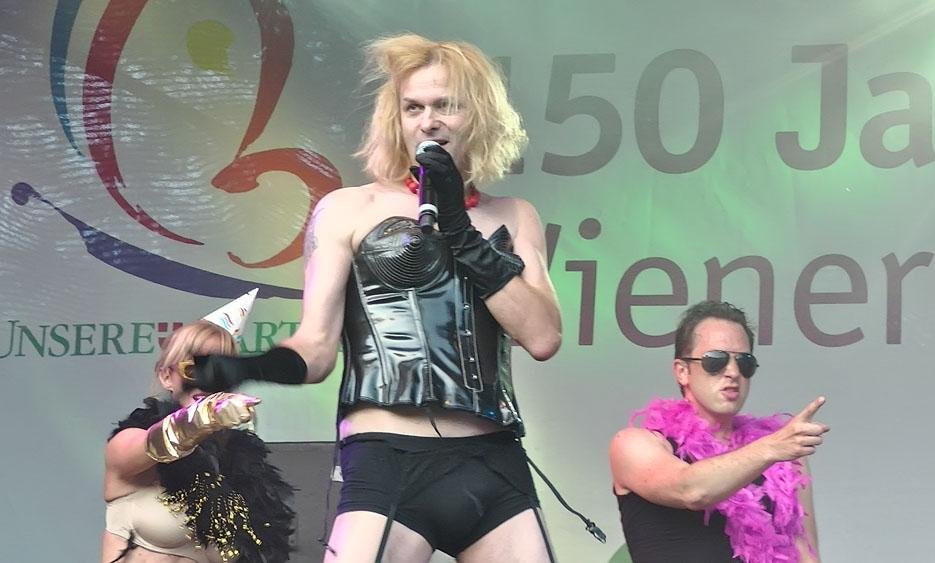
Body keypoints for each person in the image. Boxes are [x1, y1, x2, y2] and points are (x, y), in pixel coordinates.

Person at [190, 33, 567, 562]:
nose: (428, 122)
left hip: (492, 459)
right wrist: (247, 368)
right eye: (413, 107)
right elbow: (317, 348)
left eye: (445, 106)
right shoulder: (349, 208)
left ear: (479, 115)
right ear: (397, 118)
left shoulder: (514, 215)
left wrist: (460, 231)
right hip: (390, 458)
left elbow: (543, 337)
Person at [609, 301, 828, 563]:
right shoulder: (633, 444)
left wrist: (777, 451)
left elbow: (805, 553)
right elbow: (691, 490)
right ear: (682, 371)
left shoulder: (783, 457)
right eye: (716, 360)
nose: (733, 372)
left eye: (744, 362)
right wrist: (770, 448)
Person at [102, 318, 295, 563]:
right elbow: (156, 444)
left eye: (219, 374)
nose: (206, 382)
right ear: (166, 376)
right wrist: (203, 417)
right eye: (193, 371)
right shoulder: (131, 441)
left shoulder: (241, 467)